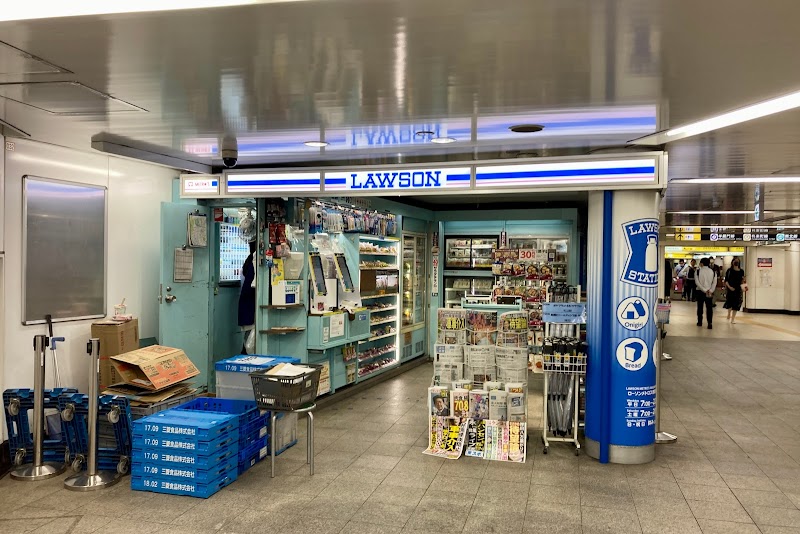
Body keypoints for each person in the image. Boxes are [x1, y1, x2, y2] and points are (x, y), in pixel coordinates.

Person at [238, 240, 257, 354]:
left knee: (248, 340)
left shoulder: (250, 260)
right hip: (251, 305)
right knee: (250, 343)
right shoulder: (254, 262)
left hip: (248, 305)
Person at [695, 257, 717, 329]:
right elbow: (714, 282)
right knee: (709, 308)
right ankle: (710, 323)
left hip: (700, 291)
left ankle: (700, 322)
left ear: (701, 263)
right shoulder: (713, 272)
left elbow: (697, 282)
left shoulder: (697, 271)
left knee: (700, 307)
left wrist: (704, 290)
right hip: (709, 291)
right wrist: (711, 290)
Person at [724, 259, 747, 323]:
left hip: (738, 289)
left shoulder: (741, 271)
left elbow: (742, 280)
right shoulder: (729, 271)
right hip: (730, 289)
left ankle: (733, 319)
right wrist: (729, 287)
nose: (736, 263)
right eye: (735, 261)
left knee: (736, 304)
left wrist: (744, 287)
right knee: (730, 303)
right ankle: (729, 313)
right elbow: (726, 280)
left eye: (737, 261)